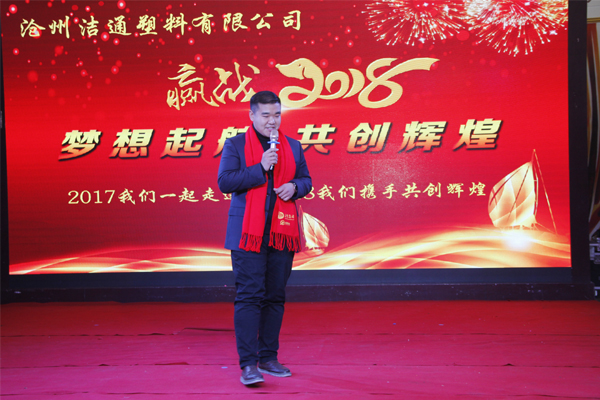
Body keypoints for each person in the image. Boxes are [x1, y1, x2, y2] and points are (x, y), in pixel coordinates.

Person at [217, 91, 312, 385]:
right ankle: (248, 364)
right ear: (252, 115)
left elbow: (306, 180)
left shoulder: (292, 146)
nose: (272, 121)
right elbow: (225, 182)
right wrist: (260, 168)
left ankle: (269, 357)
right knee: (249, 296)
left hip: (281, 234)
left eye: (277, 114)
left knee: (275, 296)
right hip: (247, 235)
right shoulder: (235, 144)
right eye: (266, 115)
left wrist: (294, 187)